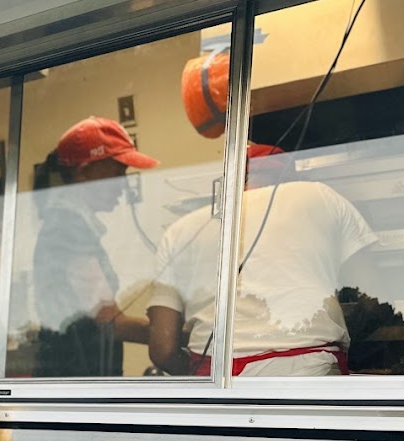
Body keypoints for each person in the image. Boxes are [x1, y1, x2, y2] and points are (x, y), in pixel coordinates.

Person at [147, 144, 379, 376]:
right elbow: (372, 298)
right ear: (289, 176)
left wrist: (204, 377)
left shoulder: (181, 230)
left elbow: (163, 351)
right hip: (310, 370)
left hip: (217, 376)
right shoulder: (320, 196)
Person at [30, 116, 160, 376]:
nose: (124, 186)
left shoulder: (70, 226)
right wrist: (175, 336)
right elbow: (111, 322)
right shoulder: (66, 230)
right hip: (74, 383)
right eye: (117, 174)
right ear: (84, 172)